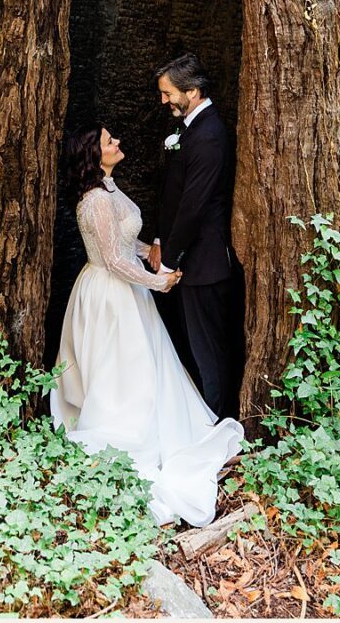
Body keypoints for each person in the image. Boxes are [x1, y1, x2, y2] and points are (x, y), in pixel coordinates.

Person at [49, 124, 243, 528]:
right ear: (93, 154)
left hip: (128, 292)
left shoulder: (109, 190)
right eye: (107, 141)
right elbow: (113, 261)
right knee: (121, 369)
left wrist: (152, 250)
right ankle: (123, 432)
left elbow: (124, 246)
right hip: (109, 295)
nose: (117, 142)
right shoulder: (95, 202)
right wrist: (160, 281)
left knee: (146, 364)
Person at [144, 53, 243, 419]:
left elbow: (193, 206)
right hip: (187, 261)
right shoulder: (189, 129)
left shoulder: (210, 135)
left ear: (194, 90)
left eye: (168, 93)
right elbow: (172, 193)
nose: (164, 100)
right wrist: (157, 239)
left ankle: (219, 422)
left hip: (203, 265)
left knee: (209, 352)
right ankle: (200, 416)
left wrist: (169, 260)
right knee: (191, 346)